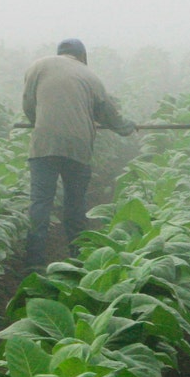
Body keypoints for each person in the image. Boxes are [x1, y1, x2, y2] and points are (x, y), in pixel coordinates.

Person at [22, 38, 136, 271]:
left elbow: (28, 103)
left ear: (60, 53)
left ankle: (34, 261)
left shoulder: (39, 65)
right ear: (82, 57)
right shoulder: (90, 76)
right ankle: (77, 257)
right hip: (78, 145)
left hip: (44, 144)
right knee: (74, 203)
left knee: (40, 202)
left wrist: (39, 123)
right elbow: (108, 113)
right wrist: (127, 128)